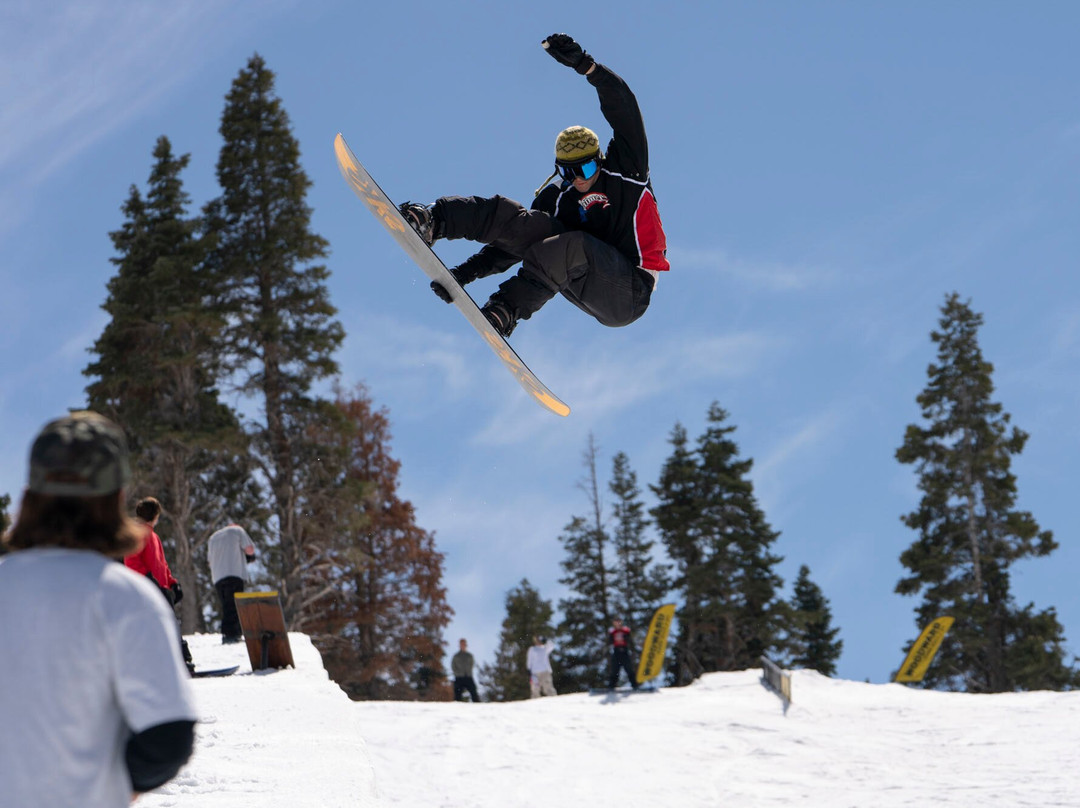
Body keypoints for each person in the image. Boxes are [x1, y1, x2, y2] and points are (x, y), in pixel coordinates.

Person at [400, 32, 668, 338]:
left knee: (571, 245)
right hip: (578, 274)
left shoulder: (626, 172)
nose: (579, 179)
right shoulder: (559, 198)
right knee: (518, 220)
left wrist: (587, 66)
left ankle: (508, 308)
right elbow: (514, 243)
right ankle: (434, 220)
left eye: (587, 168)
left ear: (600, 159)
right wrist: (464, 274)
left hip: (629, 292)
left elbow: (625, 110)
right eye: (568, 172)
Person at [0, 411, 197, 807]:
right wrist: (112, 784)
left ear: (29, 496)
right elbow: (168, 738)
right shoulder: (127, 598)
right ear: (117, 500)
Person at [125, 495, 194, 674]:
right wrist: (149, 579)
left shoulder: (153, 536)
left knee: (169, 624)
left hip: (161, 588)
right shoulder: (138, 533)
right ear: (155, 515)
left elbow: (161, 564)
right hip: (148, 590)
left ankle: (178, 662)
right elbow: (131, 561)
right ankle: (175, 663)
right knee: (162, 626)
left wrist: (172, 583)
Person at [207, 522, 255, 644]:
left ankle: (228, 633)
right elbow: (249, 549)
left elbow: (209, 561)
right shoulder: (237, 530)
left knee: (226, 605)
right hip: (234, 572)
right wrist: (249, 557)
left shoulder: (213, 538)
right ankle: (232, 635)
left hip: (217, 576)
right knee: (234, 605)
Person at [608, 617, 639, 691]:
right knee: (614, 670)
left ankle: (634, 685)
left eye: (619, 622)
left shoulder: (626, 631)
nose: (617, 624)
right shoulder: (613, 632)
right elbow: (610, 641)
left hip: (624, 651)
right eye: (616, 622)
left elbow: (630, 641)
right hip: (616, 652)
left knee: (629, 669)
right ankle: (611, 687)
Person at [451, 638, 481, 702]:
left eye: (464, 644)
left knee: (474, 693)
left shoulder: (469, 656)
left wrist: (469, 672)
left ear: (466, 645)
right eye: (461, 644)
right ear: (459, 645)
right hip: (459, 677)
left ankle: (478, 706)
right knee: (457, 695)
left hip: (468, 677)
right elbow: (453, 666)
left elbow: (472, 664)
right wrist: (457, 673)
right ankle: (456, 706)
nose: (463, 645)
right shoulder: (456, 656)